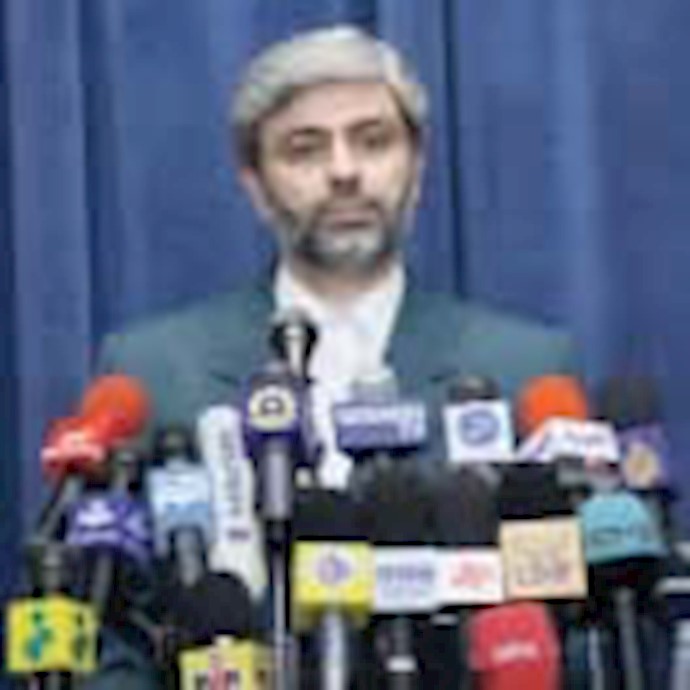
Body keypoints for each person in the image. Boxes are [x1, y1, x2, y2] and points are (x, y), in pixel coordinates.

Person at [91, 24, 577, 688]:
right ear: (255, 183)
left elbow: (579, 628)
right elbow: (108, 634)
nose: (344, 171)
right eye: (305, 148)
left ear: (417, 167)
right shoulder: (154, 370)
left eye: (373, 141)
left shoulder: (526, 367)